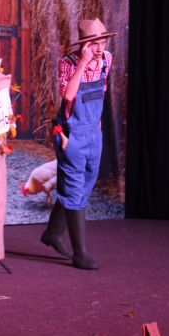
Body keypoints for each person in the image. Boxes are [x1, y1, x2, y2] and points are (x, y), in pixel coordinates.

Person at [40, 18, 116, 270]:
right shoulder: (68, 63)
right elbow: (68, 95)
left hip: (93, 133)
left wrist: (97, 126)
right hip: (72, 135)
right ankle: (80, 254)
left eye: (102, 41)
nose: (99, 48)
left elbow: (101, 92)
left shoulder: (107, 59)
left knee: (83, 187)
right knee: (73, 189)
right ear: (83, 44)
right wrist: (83, 63)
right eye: (94, 43)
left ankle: (52, 233)